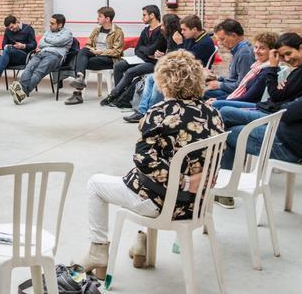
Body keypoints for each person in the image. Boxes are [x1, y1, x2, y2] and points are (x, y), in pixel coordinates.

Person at [77, 50, 225, 278]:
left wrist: (184, 182)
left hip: (162, 203)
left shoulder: (159, 113)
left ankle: (98, 251)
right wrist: (191, 182)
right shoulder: (213, 113)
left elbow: (144, 161)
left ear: (164, 80)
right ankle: (141, 241)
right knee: (154, 174)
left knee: (96, 184)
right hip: (195, 204)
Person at [220, 39, 302, 173]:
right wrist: (296, 102)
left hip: (291, 147)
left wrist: (294, 102)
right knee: (226, 116)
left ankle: (224, 183)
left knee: (228, 132)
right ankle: (224, 181)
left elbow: (286, 113)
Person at [123, 14, 216, 123]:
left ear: (194, 29)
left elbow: (186, 61)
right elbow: (179, 55)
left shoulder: (204, 43)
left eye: (184, 29)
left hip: (190, 75)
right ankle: (142, 111)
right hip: (181, 71)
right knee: (150, 78)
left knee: (159, 81)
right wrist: (165, 55)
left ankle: (153, 112)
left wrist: (180, 44)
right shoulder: (192, 37)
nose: (182, 32)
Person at [100, 6, 166, 106]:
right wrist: (146, 53)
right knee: (118, 65)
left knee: (131, 71)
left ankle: (113, 96)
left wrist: (145, 51)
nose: (142, 18)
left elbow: (152, 49)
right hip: (144, 59)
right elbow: (137, 49)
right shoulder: (145, 31)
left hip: (154, 63)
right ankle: (120, 96)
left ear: (152, 15)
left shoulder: (161, 31)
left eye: (144, 15)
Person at [65, 7, 125, 105]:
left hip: (109, 59)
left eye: (100, 16)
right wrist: (92, 50)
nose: (97, 18)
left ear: (107, 19)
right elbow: (88, 44)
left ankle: (78, 93)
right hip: (95, 56)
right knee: (83, 51)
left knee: (81, 61)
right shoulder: (96, 30)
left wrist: (99, 52)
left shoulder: (118, 32)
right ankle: (80, 77)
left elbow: (117, 51)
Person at [9, 14, 73, 105]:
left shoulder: (67, 33)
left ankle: (21, 91)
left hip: (55, 56)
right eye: (50, 23)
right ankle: (21, 93)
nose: (49, 25)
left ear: (60, 25)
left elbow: (59, 41)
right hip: (41, 53)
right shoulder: (48, 32)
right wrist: (52, 42)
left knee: (38, 72)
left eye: (52, 23)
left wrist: (47, 41)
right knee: (28, 68)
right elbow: (41, 44)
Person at [209, 32, 281, 109]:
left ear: (272, 51)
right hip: (243, 99)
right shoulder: (257, 67)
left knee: (214, 104)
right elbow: (242, 90)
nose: (257, 51)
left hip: (252, 106)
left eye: (262, 48)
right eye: (256, 47)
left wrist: (218, 101)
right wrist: (218, 99)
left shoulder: (265, 71)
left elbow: (248, 98)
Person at [0, 15, 37, 99]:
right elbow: (3, 45)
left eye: (12, 27)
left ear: (17, 22)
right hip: (8, 56)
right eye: (9, 28)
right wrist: (7, 46)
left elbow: (34, 45)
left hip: (23, 56)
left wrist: (23, 46)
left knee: (5, 53)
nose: (11, 29)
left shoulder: (28, 28)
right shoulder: (8, 31)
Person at [204, 19, 255, 99]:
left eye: (222, 39)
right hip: (232, 90)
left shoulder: (244, 54)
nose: (220, 43)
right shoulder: (239, 50)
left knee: (201, 92)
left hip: (236, 95)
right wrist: (216, 78)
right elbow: (233, 79)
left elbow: (243, 86)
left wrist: (219, 84)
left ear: (234, 36)